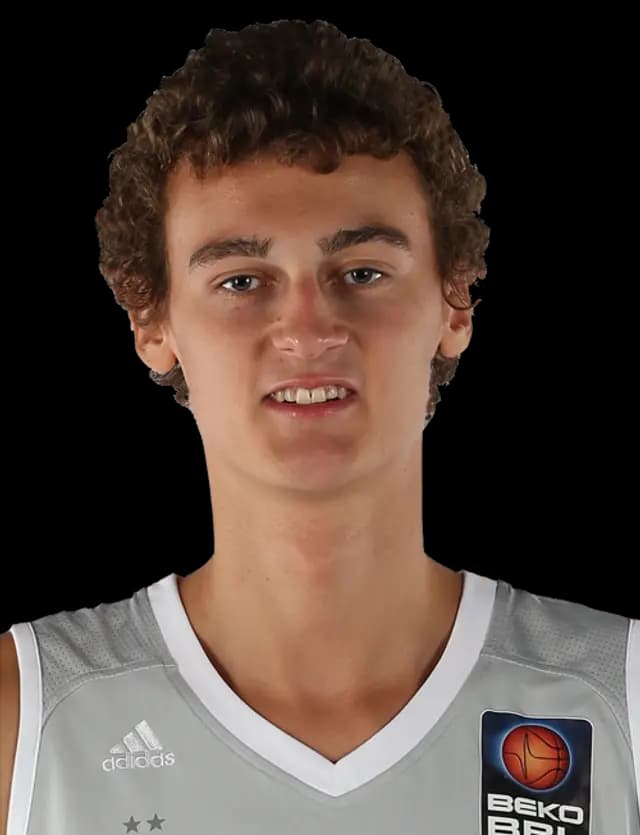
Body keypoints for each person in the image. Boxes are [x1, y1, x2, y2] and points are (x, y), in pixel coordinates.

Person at [1, 19, 638, 835]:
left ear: (455, 300)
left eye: (362, 271)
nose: (306, 331)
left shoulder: (618, 696)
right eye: (242, 280)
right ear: (151, 320)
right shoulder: (28, 716)